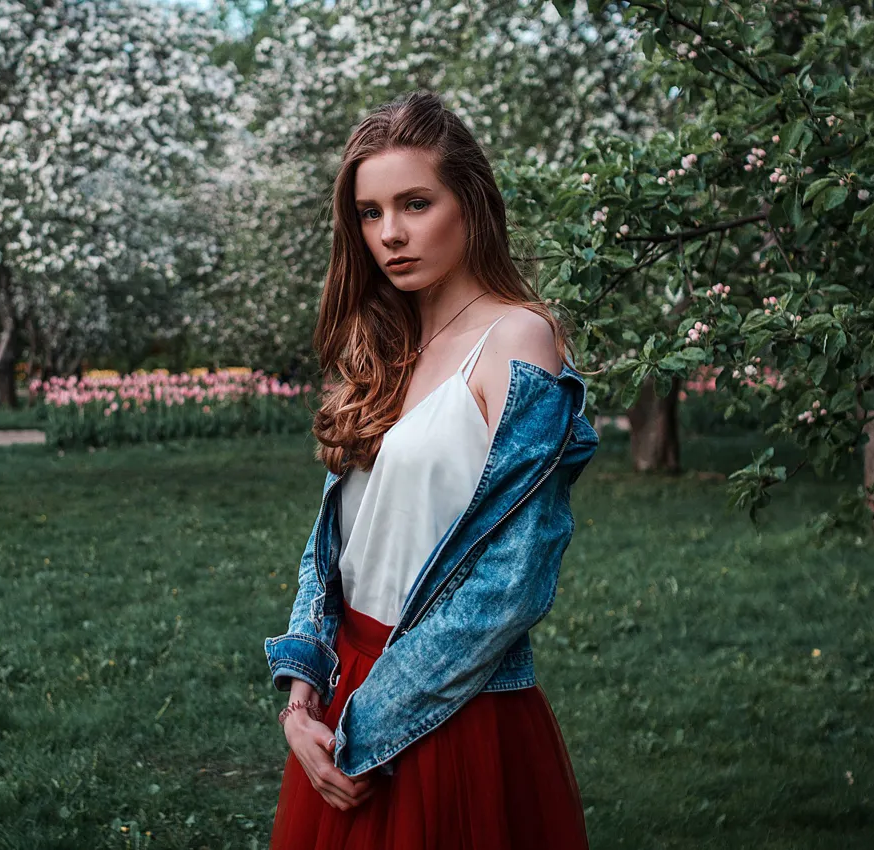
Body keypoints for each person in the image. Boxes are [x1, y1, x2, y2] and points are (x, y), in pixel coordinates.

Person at [263, 91, 601, 850]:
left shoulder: (518, 338)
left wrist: (370, 723)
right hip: (342, 692)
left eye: (415, 203)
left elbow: (513, 578)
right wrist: (301, 694)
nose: (391, 234)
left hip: (449, 708)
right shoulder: (380, 345)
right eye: (370, 212)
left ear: (471, 203)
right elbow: (333, 549)